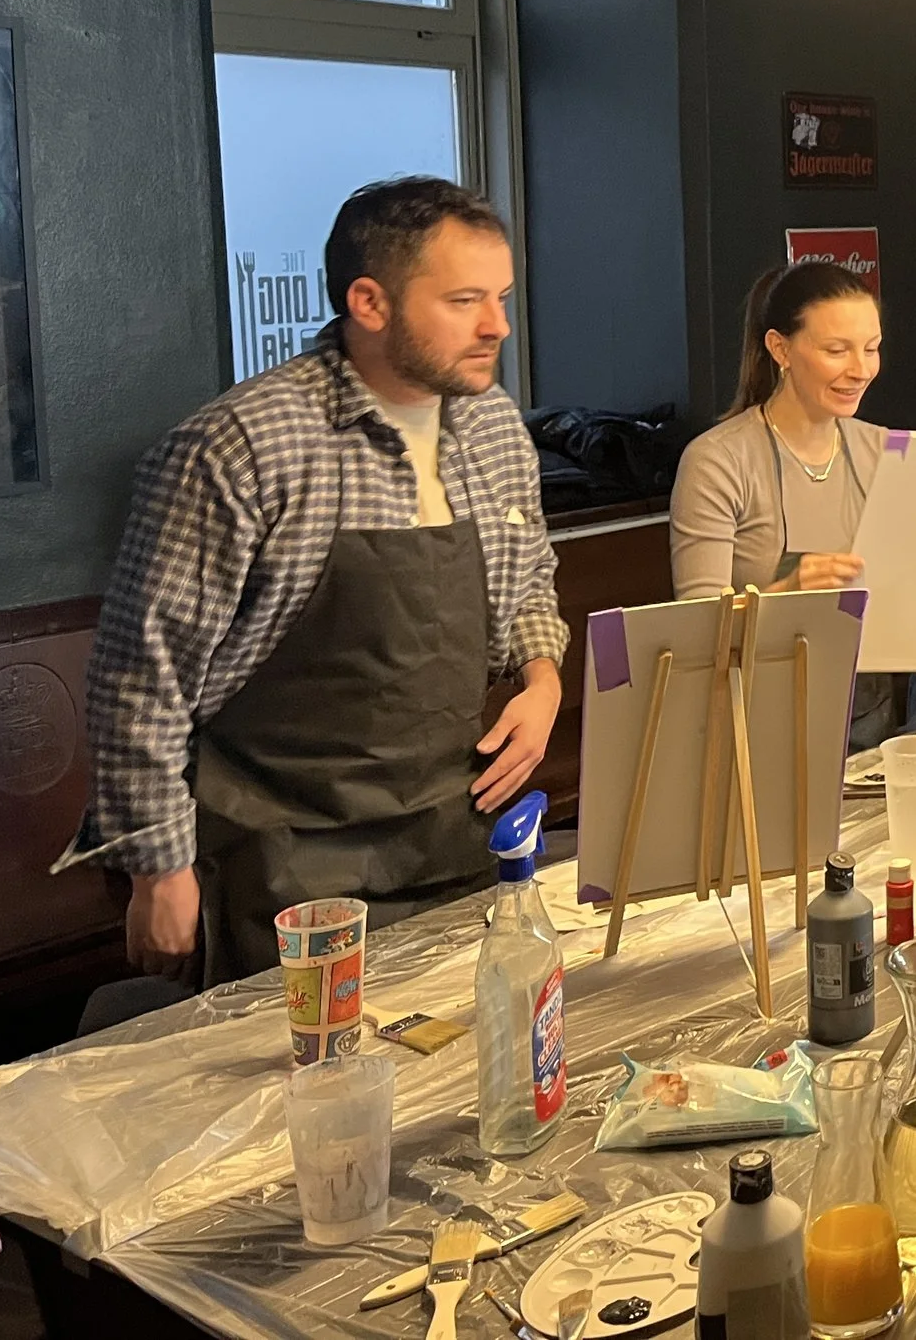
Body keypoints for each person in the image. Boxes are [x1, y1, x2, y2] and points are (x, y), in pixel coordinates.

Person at [68, 178, 564, 984]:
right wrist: (158, 870)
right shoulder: (238, 448)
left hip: (450, 837)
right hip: (279, 863)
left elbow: (531, 579)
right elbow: (138, 678)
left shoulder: (496, 428)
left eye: (502, 297)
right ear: (369, 302)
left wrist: (541, 680)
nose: (497, 326)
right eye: (466, 300)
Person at [669, 260, 911, 743]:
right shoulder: (717, 461)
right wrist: (786, 593)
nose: (860, 369)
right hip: (755, 726)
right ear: (780, 347)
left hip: (870, 721)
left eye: (872, 349)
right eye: (836, 350)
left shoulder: (885, 449)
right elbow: (696, 628)